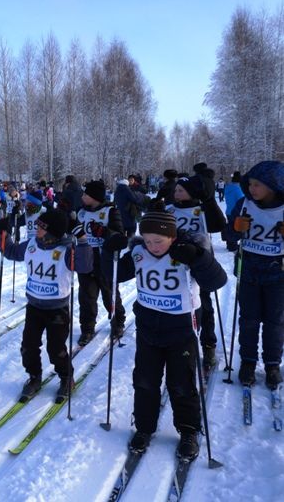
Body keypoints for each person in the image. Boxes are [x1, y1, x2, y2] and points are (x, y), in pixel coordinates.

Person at [111, 202, 226, 462]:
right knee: (145, 381)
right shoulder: (140, 252)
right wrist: (111, 253)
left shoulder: (186, 252)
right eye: (148, 240)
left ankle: (188, 431)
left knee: (182, 383)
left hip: (182, 330)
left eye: (159, 241)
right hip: (148, 329)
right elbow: (114, 275)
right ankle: (144, 427)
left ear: (172, 236)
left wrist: (200, 258)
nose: (153, 246)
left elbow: (217, 281)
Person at [0, 208, 93, 403]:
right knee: (28, 346)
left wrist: (82, 240)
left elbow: (85, 266)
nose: (37, 229)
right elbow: (10, 252)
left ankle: (66, 377)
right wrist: (4, 232)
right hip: (34, 306)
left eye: (41, 227)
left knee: (56, 349)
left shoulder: (66, 250)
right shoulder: (32, 244)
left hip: (57, 308)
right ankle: (34, 377)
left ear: (52, 232)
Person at [226, 160, 284, 389]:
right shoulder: (244, 204)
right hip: (248, 270)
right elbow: (228, 236)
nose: (252, 189)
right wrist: (234, 229)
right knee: (249, 320)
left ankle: (272, 364)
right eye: (250, 184)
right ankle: (248, 362)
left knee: (275, 322)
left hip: (277, 273)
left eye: (257, 184)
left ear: (273, 185)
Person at [166, 174, 227, 367]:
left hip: (199, 260)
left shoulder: (200, 209)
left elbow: (219, 224)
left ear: (191, 192)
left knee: (204, 304)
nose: (176, 193)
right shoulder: (169, 209)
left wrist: (209, 202)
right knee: (180, 303)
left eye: (180, 190)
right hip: (176, 262)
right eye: (175, 190)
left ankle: (208, 344)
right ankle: (179, 343)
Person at [76, 180, 127, 345]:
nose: (82, 196)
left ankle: (117, 322)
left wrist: (104, 232)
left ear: (94, 197)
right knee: (86, 297)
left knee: (109, 294)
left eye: (86, 194)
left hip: (103, 260)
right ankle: (87, 328)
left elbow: (120, 237)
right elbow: (72, 229)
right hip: (85, 259)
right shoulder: (81, 212)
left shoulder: (110, 211)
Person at [222, 171, 244, 252]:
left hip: (228, 210)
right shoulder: (238, 189)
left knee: (230, 227)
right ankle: (232, 245)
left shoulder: (228, 187)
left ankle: (229, 244)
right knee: (234, 228)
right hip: (235, 211)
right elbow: (241, 200)